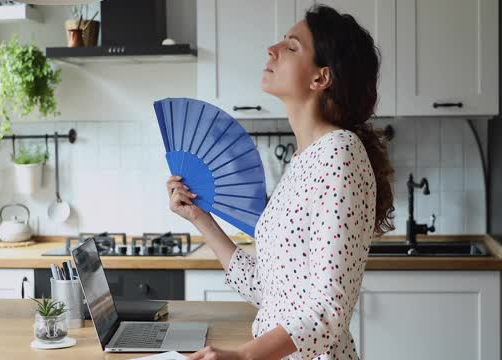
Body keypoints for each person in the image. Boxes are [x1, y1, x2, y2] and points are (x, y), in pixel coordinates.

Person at [166, 5, 395, 360]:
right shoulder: (306, 159)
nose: (271, 49)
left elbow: (328, 313)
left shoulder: (340, 155)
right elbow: (270, 291)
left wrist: (242, 355)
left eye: (291, 46)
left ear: (320, 78)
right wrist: (200, 218)